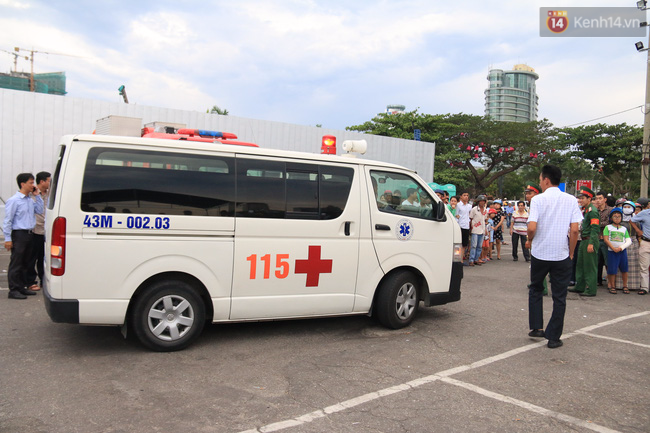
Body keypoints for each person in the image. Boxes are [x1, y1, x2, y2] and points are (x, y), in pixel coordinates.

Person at [525, 165, 582, 349]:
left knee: (535, 289)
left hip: (540, 253)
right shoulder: (571, 200)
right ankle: (554, 337)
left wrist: (530, 239)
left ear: (546, 180)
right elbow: (574, 230)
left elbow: (532, 227)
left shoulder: (538, 200)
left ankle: (536, 327)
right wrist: (571, 252)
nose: (540, 183)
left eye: (541, 179)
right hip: (561, 254)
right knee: (559, 296)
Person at [3, 173, 44, 299]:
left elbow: (40, 210)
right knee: (17, 262)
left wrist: (38, 196)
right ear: (23, 184)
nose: (33, 185)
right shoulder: (14, 200)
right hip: (19, 234)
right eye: (31, 183)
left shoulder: (30, 200)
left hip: (30, 233)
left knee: (27, 262)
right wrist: (8, 239)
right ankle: (14, 289)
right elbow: (7, 220)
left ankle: (22, 287)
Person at [570, 186, 600, 297]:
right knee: (580, 264)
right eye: (579, 198)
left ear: (589, 198)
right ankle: (580, 286)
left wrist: (591, 243)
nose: (580, 200)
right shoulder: (586, 210)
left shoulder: (592, 211)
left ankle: (591, 289)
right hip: (583, 240)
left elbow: (595, 228)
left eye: (582, 198)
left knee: (589, 266)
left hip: (589, 240)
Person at [25, 171, 50, 291]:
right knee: (31, 258)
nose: (50, 183)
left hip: (46, 230)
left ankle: (43, 280)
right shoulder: (32, 194)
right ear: (42, 181)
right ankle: (30, 281)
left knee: (43, 257)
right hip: (35, 230)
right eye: (49, 181)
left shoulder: (50, 194)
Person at [603, 208, 632, 294]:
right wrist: (613, 248)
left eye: (619, 217)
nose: (617, 218)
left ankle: (625, 285)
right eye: (615, 217)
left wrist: (621, 248)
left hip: (622, 251)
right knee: (612, 269)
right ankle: (612, 286)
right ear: (611, 218)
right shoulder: (608, 227)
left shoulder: (624, 228)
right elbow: (606, 239)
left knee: (624, 269)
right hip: (612, 251)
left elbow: (629, 240)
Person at [616, 201, 640, 292]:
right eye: (624, 207)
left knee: (633, 264)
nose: (626, 208)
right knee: (621, 264)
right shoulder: (619, 218)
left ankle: (633, 285)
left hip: (633, 243)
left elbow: (639, 233)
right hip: (621, 243)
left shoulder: (637, 219)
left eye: (628, 207)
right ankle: (619, 284)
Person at [630, 197, 650, 295]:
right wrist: (638, 231)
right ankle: (645, 287)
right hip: (646, 242)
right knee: (644, 267)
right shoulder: (644, 213)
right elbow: (632, 220)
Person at [594, 191, 612, 286]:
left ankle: (610, 281)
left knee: (607, 261)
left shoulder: (610, 210)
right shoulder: (594, 210)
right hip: (596, 238)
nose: (598, 200)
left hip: (606, 239)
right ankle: (598, 280)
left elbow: (610, 223)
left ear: (605, 199)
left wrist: (597, 223)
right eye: (596, 198)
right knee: (597, 261)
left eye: (600, 198)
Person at [468, 194, 487, 266]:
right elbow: (471, 219)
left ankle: (476, 258)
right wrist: (471, 228)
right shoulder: (474, 209)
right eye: (481, 201)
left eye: (483, 201)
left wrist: (485, 230)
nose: (482, 203)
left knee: (479, 246)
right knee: (474, 245)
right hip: (475, 229)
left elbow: (484, 220)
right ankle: (471, 259)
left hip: (482, 229)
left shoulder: (485, 210)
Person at [456, 192, 472, 265]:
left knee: (464, 244)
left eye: (467, 196)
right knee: (459, 243)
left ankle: (461, 258)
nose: (466, 197)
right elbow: (456, 215)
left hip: (466, 225)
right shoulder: (458, 205)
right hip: (460, 225)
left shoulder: (469, 206)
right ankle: (458, 259)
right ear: (461, 196)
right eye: (464, 195)